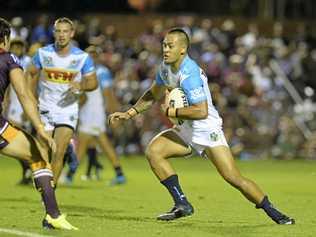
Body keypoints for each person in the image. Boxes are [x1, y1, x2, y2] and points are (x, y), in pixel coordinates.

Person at [109, 28, 295, 224]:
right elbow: (152, 94)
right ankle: (182, 204)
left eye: (170, 46)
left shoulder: (189, 73)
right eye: (164, 45)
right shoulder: (165, 67)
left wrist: (171, 112)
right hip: (185, 130)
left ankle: (275, 213)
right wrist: (129, 113)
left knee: (233, 178)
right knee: (154, 151)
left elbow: (201, 111)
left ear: (183, 49)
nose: (165, 49)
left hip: (207, 130)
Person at [0, 17, 77, 230]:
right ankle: (53, 214)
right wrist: (41, 128)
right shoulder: (9, 59)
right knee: (37, 156)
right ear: (5, 38)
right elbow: (24, 94)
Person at [27, 17, 98, 185]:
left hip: (68, 109)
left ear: (72, 34)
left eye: (65, 31)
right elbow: (29, 74)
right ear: (53, 33)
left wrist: (81, 85)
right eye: (58, 31)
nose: (61, 35)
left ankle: (50, 193)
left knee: (59, 151)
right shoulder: (43, 53)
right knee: (43, 150)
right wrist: (30, 97)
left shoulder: (82, 58)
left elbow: (93, 83)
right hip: (45, 107)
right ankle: (45, 188)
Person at [73, 45, 126, 185]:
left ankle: (69, 175)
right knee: (97, 143)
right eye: (89, 54)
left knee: (84, 144)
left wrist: (114, 114)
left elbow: (109, 95)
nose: (91, 57)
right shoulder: (81, 72)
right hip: (86, 113)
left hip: (95, 114)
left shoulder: (102, 72)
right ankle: (119, 173)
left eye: (94, 54)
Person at [5, 38, 32, 184]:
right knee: (13, 140)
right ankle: (28, 169)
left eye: (19, 47)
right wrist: (6, 101)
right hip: (14, 106)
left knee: (15, 139)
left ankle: (31, 168)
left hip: (23, 105)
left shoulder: (27, 62)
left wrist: (27, 109)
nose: (16, 50)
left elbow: (30, 86)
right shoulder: (8, 60)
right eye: (14, 47)